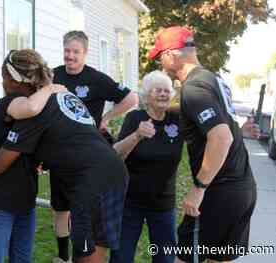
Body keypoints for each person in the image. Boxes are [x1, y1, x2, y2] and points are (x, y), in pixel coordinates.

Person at [0, 84, 129, 262]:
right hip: (114, 169)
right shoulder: (61, 99)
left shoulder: (34, 113)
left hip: (89, 180)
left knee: (85, 250)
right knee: (97, 242)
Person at [148, 26, 258, 263]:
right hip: (242, 188)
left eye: (160, 56)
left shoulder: (193, 88)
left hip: (217, 192)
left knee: (185, 258)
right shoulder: (212, 78)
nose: (160, 62)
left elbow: (221, 137)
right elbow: (220, 122)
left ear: (172, 54)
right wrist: (165, 109)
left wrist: (198, 189)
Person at [51, 30, 138, 263]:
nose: (70, 56)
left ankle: (87, 252)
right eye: (67, 51)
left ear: (85, 53)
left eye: (76, 52)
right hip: (60, 151)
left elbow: (132, 98)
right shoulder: (53, 76)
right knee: (61, 208)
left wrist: (107, 118)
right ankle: (62, 257)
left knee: (86, 208)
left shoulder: (97, 79)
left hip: (88, 156)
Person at [0, 49, 66, 263]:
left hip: (24, 200)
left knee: (22, 259)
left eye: (3, 76)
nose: (2, 82)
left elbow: (31, 110)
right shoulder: (12, 103)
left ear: (11, 78)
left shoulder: (31, 103)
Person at [109, 70, 183, 263]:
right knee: (121, 258)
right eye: (158, 90)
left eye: (167, 91)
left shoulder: (178, 120)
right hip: (130, 202)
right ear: (147, 95)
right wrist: (137, 136)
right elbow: (115, 154)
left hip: (163, 204)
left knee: (165, 259)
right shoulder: (135, 118)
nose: (163, 94)